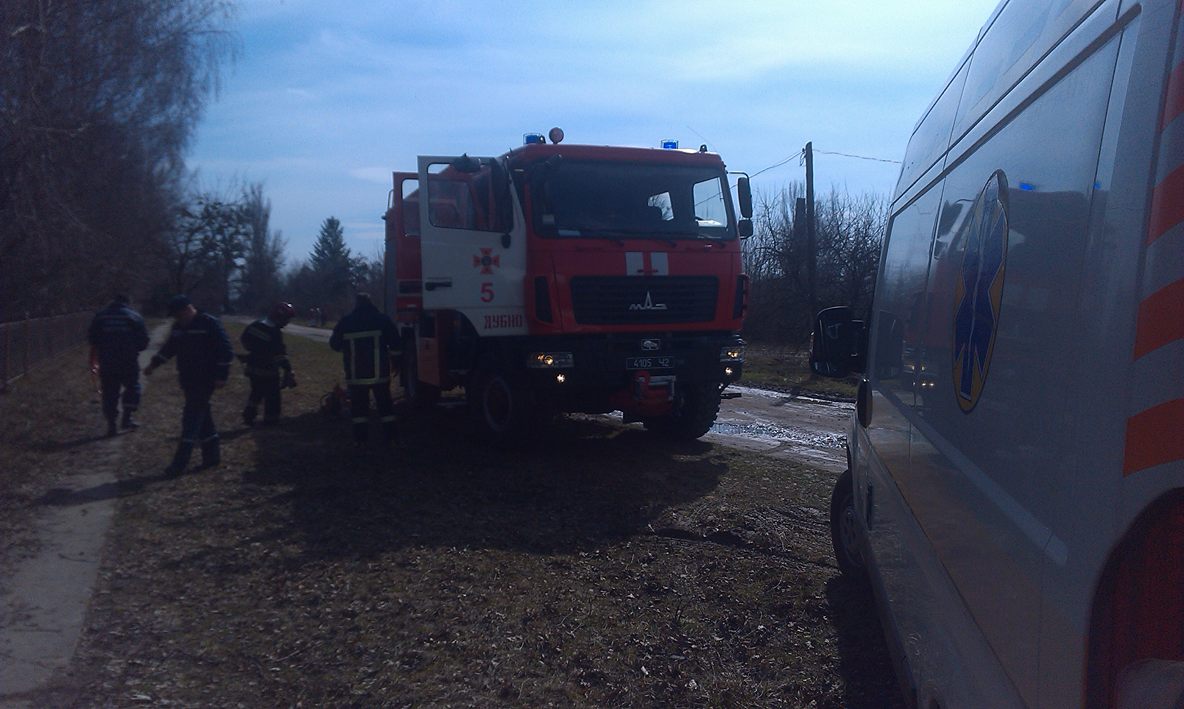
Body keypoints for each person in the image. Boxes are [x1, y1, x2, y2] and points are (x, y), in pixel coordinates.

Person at [143, 295, 234, 475]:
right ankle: (212, 456)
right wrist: (154, 364)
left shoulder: (209, 323)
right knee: (203, 415)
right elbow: (170, 348)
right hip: (187, 378)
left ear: (187, 309)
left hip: (205, 378)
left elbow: (226, 350)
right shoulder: (179, 327)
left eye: (177, 314)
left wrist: (221, 375)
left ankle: (179, 464)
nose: (176, 318)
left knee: (191, 418)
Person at [329, 293, 398, 445]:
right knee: (385, 406)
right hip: (380, 374)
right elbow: (395, 343)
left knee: (359, 409)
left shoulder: (346, 322)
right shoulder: (382, 320)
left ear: (356, 304)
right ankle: (391, 437)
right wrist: (397, 361)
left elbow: (334, 344)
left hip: (356, 375)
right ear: (371, 303)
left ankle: (361, 440)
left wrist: (346, 349)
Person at [87, 294, 150, 436]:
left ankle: (111, 425)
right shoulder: (134, 316)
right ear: (127, 302)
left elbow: (92, 338)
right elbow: (144, 341)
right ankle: (127, 418)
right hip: (128, 360)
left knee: (109, 392)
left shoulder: (100, 317)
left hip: (107, 360)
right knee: (132, 387)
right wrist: (133, 349)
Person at [240, 302, 297, 426]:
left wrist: (255, 352)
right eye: (287, 319)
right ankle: (271, 420)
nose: (287, 322)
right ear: (280, 317)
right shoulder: (274, 332)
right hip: (268, 370)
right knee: (273, 396)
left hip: (252, 367)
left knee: (256, 392)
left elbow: (244, 340)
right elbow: (280, 355)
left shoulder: (255, 325)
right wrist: (288, 369)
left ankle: (249, 415)